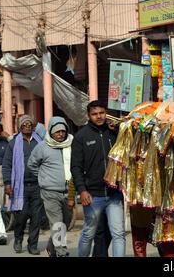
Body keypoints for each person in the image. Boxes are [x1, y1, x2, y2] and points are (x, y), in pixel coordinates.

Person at [71, 100, 125, 257]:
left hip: (114, 193)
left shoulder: (114, 133)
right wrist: (82, 190)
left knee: (118, 234)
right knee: (89, 233)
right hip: (93, 195)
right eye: (95, 114)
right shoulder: (81, 136)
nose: (99, 116)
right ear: (89, 115)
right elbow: (75, 167)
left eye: (101, 113)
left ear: (106, 112)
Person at [27, 117, 74, 257]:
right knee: (57, 223)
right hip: (50, 192)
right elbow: (31, 164)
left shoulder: (72, 144)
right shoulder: (42, 146)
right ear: (51, 132)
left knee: (64, 223)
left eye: (63, 131)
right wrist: (44, 177)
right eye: (57, 131)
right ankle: (61, 252)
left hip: (69, 191)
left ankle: (51, 246)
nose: (60, 134)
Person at [2, 115, 43, 254]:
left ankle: (32, 245)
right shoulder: (13, 143)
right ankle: (18, 240)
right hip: (20, 187)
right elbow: (7, 164)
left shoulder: (39, 142)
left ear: (32, 127)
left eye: (29, 124)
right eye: (24, 125)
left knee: (36, 218)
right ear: (20, 127)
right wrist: (7, 183)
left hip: (38, 185)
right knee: (22, 216)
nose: (27, 127)